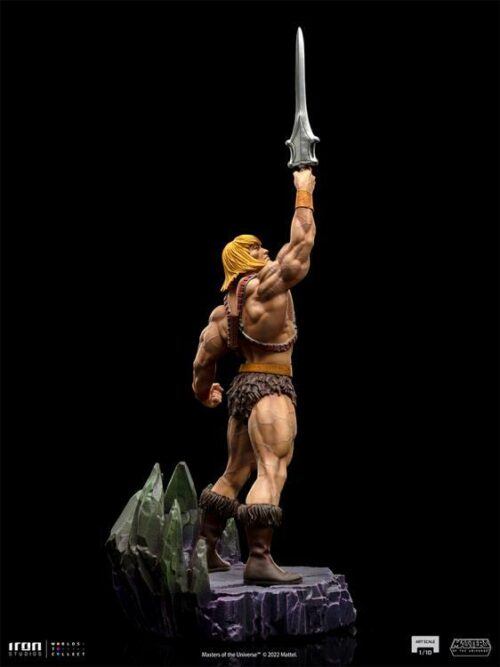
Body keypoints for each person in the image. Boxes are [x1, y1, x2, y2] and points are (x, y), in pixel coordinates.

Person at [192, 168, 316, 586]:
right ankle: (259, 559)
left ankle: (205, 550)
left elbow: (202, 361)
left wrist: (205, 392)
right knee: (271, 469)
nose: (265, 252)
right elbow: (301, 246)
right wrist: (303, 192)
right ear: (245, 259)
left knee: (234, 471)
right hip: (271, 388)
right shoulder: (267, 287)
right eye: (257, 248)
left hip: (242, 390)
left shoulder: (223, 312)